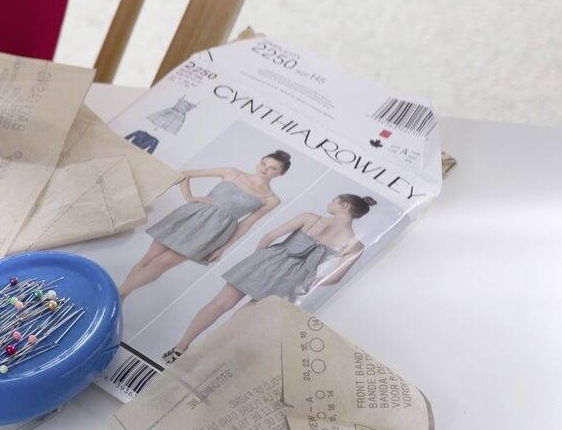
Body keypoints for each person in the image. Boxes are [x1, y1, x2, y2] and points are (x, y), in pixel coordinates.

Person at [162, 192, 376, 361]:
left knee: (219, 304)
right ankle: (198, 358)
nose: (330, 203)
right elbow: (335, 278)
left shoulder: (310, 217)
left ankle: (180, 348)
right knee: (240, 320)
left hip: (269, 260)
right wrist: (307, 282)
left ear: (345, 205)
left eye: (334, 201)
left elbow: (270, 236)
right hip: (293, 279)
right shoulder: (356, 245)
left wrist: (259, 259)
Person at [117, 152, 291, 302]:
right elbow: (185, 174)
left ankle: (118, 294)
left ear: (281, 173)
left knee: (161, 264)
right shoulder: (232, 173)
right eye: (264, 163)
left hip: (214, 232)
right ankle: (121, 297)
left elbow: (246, 224)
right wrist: (189, 197)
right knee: (148, 259)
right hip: (190, 216)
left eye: (273, 168)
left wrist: (223, 248)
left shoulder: (270, 199)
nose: (265, 168)